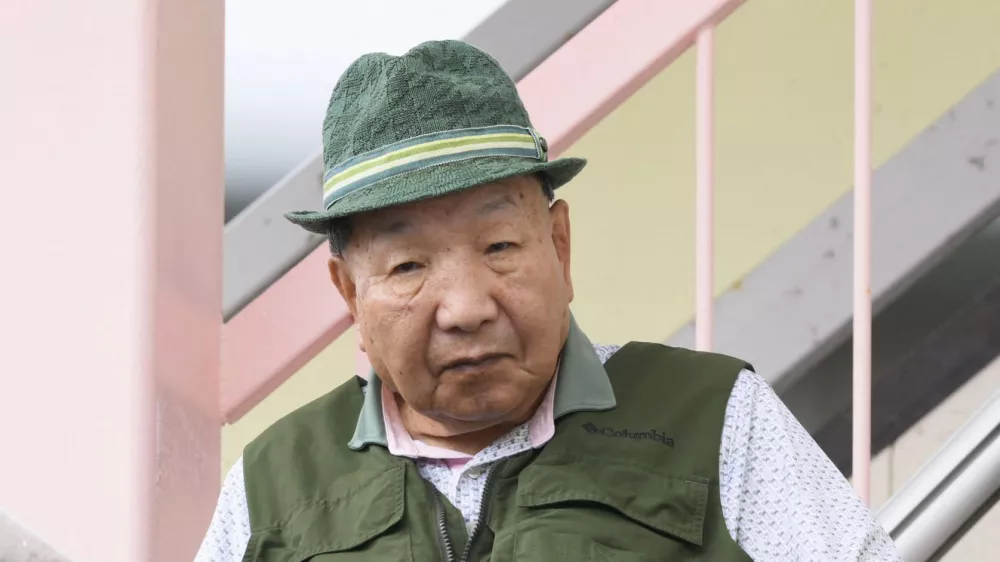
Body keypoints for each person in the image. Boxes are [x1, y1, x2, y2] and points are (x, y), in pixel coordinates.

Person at [195, 40, 900, 561]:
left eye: (499, 246)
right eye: (409, 264)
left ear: (559, 246)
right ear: (349, 292)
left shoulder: (714, 417)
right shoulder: (272, 484)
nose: (466, 307)